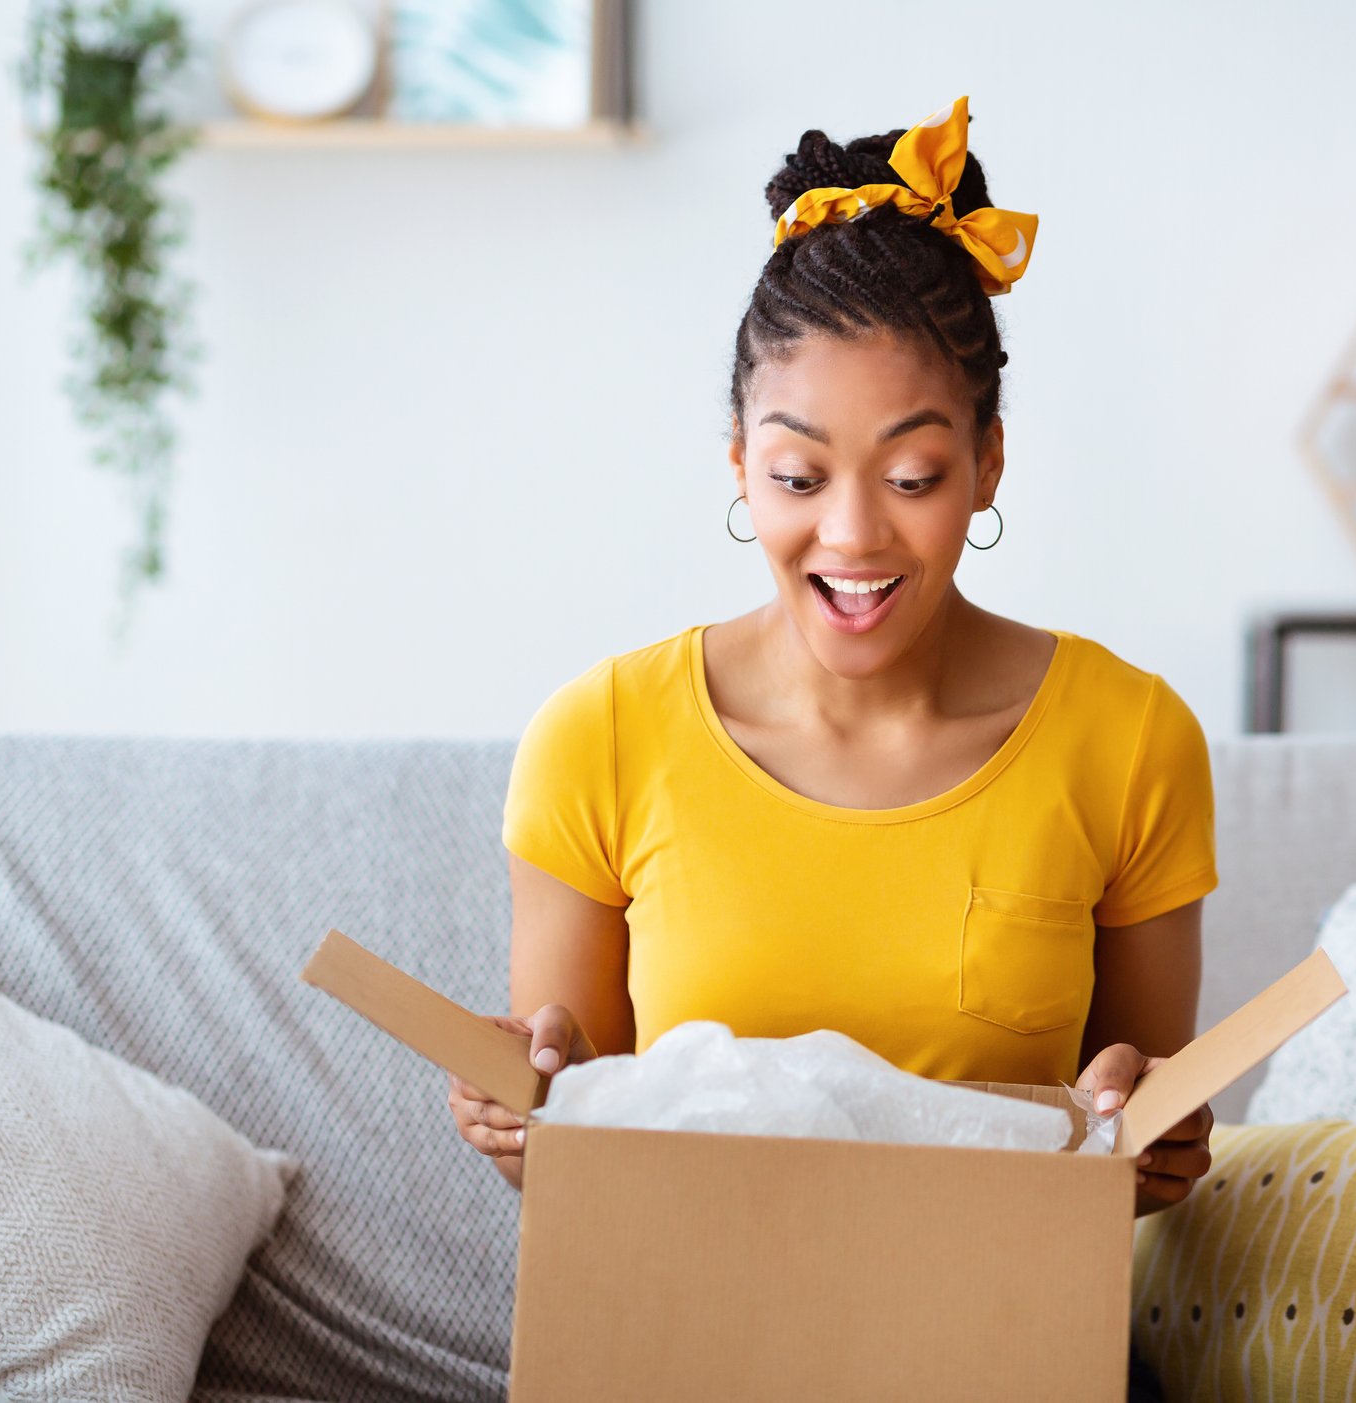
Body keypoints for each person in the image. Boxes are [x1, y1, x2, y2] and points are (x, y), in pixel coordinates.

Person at [448, 96, 1218, 1222]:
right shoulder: (597, 737)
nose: (852, 536)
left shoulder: (1130, 737)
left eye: (910, 477)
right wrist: (523, 1116)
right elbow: (578, 1172)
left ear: (987, 460)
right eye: (797, 479)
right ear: (738, 464)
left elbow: (1139, 1150)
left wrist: (1154, 1137)